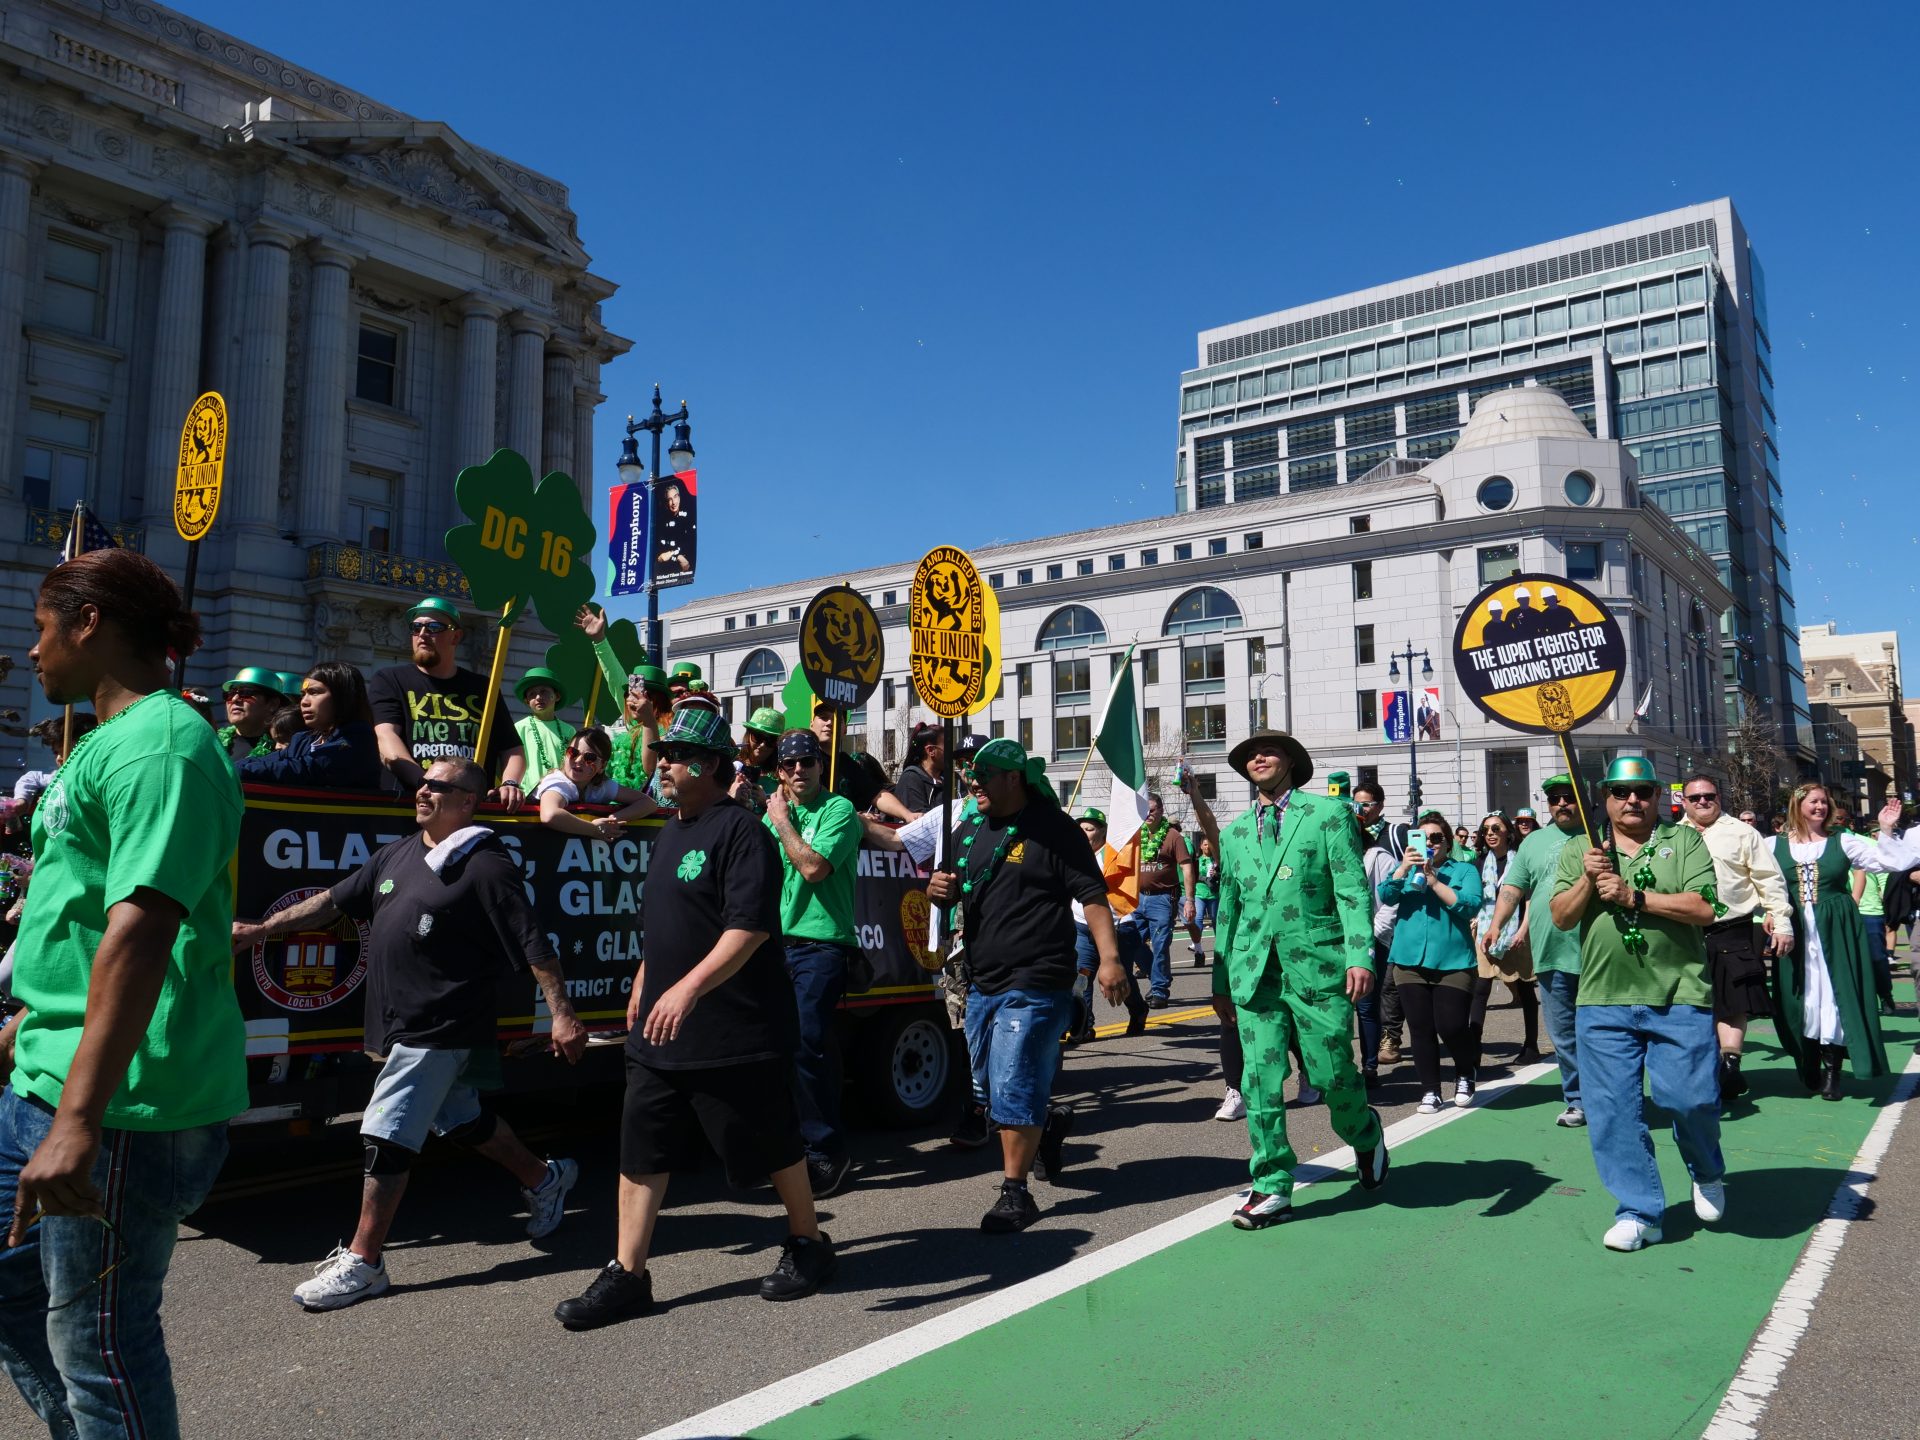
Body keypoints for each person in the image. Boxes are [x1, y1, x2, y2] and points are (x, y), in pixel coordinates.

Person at [0, 548, 246, 1435]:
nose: (32, 653)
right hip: (47, 1072)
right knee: (18, 1295)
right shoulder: (102, 743)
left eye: (40, 629)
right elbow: (78, 909)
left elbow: (140, 934)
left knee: (99, 1344)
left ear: (89, 622)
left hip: (122, 1105)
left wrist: (77, 1121)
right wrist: (33, 1013)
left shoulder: (165, 746)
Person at [231, 760, 586, 1309]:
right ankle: (545, 1179)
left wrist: (562, 1014)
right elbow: (331, 902)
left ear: (467, 801)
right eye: (421, 781)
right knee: (461, 1117)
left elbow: (534, 943)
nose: (423, 789)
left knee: (385, 1131)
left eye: (438, 785)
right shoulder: (398, 852)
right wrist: (260, 931)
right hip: (398, 1023)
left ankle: (365, 1261)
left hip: (442, 1022)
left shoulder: (487, 866)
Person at [555, 707, 833, 1329]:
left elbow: (749, 929)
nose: (661, 764)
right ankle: (628, 1275)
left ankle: (809, 1242)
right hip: (659, 1032)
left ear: (706, 766)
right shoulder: (671, 830)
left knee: (771, 1144)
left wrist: (686, 991)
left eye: (674, 756)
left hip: (736, 1028)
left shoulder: (741, 832)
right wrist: (646, 979)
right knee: (640, 1148)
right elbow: (665, 924)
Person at [1185, 730, 1388, 1229]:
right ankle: (1272, 1183)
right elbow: (1227, 911)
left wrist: (1359, 955)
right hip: (1254, 976)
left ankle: (1364, 1133)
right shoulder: (1232, 835)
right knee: (1258, 1083)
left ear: (1292, 762)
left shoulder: (1327, 816)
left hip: (1318, 969)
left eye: (1269, 750)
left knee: (1332, 1075)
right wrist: (1219, 978)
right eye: (1250, 754)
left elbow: (1351, 890)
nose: (1258, 757)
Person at [924, 740, 1124, 1232]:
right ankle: (1048, 1121)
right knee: (990, 1086)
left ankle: (1016, 1194)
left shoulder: (1054, 829)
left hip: (1038, 977)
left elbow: (1093, 896)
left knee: (1012, 1081)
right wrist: (938, 889)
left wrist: (1110, 959)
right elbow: (952, 890)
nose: (973, 781)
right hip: (982, 980)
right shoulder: (968, 829)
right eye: (971, 773)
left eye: (984, 773)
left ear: (1014, 777)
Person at [1550, 756, 1722, 1252]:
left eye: (1643, 791)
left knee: (1688, 1099)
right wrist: (1588, 878)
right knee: (1612, 1112)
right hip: (1602, 1001)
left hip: (1680, 995)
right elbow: (1561, 917)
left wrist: (1633, 897)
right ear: (1605, 797)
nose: (1633, 801)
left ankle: (1706, 1168)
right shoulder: (1581, 848)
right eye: (1622, 791)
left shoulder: (1683, 839)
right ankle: (1638, 1210)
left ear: (1657, 796)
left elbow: (1706, 907)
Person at [763, 729, 864, 1199]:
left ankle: (827, 1149)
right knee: (780, 1048)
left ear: (822, 766)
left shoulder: (837, 810)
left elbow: (813, 867)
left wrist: (781, 821)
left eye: (807, 762)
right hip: (774, 944)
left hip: (823, 944)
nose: (798, 770)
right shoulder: (770, 815)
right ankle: (792, 1151)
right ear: (778, 772)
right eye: (789, 765)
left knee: (806, 1040)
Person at [1770, 785, 1920, 1101]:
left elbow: (1896, 862)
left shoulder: (1843, 840)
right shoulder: (1773, 845)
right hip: (1795, 929)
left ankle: (1832, 1073)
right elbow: (1756, 879)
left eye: (1825, 802)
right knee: (1800, 997)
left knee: (1835, 995)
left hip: (1836, 928)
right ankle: (1807, 1059)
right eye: (1814, 801)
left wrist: (1888, 828)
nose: (1821, 807)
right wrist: (1768, 911)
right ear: (1797, 806)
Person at [1676, 775, 1794, 1103]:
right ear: (1683, 801)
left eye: (1708, 795)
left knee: (1733, 1002)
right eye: (1695, 797)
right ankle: (1704, 1067)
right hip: (1684, 932)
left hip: (1732, 927)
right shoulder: (1671, 834)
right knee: (1691, 1006)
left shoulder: (1742, 832)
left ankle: (1730, 1066)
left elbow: (1769, 879)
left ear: (1719, 797)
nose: (1702, 801)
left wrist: (1782, 921)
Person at [1484, 774, 1587, 1126]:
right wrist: (1497, 923)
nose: (1561, 803)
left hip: (1598, 954)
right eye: (1555, 798)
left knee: (1603, 1032)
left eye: (1568, 796)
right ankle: (1577, 1100)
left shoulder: (1600, 835)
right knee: (1563, 1034)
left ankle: (1612, 1096)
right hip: (1550, 952)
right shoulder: (1534, 842)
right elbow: (1513, 886)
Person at [367, 597, 526, 808]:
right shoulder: (389, 679)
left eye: (434, 627)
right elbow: (386, 736)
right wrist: (427, 784)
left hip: (468, 808)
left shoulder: (483, 687)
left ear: (456, 636)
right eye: (416, 627)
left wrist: (510, 783)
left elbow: (512, 749)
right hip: (411, 806)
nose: (423, 633)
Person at [1379, 813, 1484, 1112]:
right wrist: (1403, 868)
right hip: (1409, 959)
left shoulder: (1463, 870)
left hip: (1453, 961)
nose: (1429, 844)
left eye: (1436, 838)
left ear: (1447, 844)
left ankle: (1465, 1073)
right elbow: (1385, 895)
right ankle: (1431, 1091)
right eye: (1422, 838)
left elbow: (1469, 905)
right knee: (1421, 1028)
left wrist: (1434, 881)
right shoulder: (1407, 870)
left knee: (1451, 1027)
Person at [236, 662, 383, 790]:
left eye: (314, 692)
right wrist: (228, 768)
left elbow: (303, 768)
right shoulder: (302, 740)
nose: (304, 702)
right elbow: (268, 760)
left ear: (343, 697)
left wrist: (235, 771)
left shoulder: (357, 739)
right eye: (303, 694)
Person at [1070, 809, 1150, 1045]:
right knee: (1081, 978)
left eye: (1090, 829)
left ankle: (1138, 1009)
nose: (1083, 833)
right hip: (1083, 927)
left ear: (1103, 831)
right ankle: (1084, 1025)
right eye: (1081, 828)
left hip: (1116, 928)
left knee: (1119, 981)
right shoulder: (1074, 854)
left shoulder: (1114, 856)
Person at [1471, 812, 1540, 1066]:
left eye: (1496, 829)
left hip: (1516, 933)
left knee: (1524, 988)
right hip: (1486, 934)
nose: (1490, 833)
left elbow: (1530, 898)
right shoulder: (1479, 863)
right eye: (1486, 829)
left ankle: (1531, 1045)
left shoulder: (1520, 862)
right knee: (1480, 989)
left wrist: (1523, 930)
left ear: (1508, 833)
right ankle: (1473, 1047)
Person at [1354, 782, 1405, 1077]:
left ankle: (1370, 1066)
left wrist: (1373, 932)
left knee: (1366, 1006)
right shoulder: (1337, 860)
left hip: (1372, 940)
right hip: (1340, 940)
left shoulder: (1379, 856)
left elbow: (1390, 901)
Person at [533, 729, 662, 839]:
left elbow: (649, 803)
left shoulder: (600, 786)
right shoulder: (557, 782)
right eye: (573, 752)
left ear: (602, 766)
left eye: (590, 758)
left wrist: (611, 820)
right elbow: (549, 815)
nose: (578, 760)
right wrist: (594, 830)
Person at [1133, 793, 1197, 1007]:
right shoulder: (1135, 834)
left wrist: (1189, 900)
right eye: (1145, 810)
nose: (1148, 814)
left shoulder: (1173, 836)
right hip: (1136, 897)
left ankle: (1160, 990)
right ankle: (1158, 975)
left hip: (1162, 899)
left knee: (1160, 944)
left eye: (1152, 810)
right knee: (1129, 941)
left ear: (1161, 811)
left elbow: (1186, 867)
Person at [809, 700, 889, 814]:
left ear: (845, 729)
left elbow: (876, 794)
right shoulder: (806, 761)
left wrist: (908, 814)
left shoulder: (847, 762)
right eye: (823, 717)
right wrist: (856, 817)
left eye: (837, 719)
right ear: (811, 725)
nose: (829, 723)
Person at [513, 667, 576, 783]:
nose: (538, 697)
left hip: (563, 792)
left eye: (544, 692)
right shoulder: (519, 728)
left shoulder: (569, 731)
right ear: (527, 701)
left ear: (557, 696)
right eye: (532, 694)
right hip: (528, 795)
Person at [216, 665, 284, 763]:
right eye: (230, 694)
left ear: (272, 704)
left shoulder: (282, 749)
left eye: (246, 692)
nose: (235, 699)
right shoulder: (214, 743)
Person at [729, 706, 786, 814]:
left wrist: (766, 803)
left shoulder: (783, 774)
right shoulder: (730, 766)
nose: (763, 745)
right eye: (758, 737)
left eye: (770, 740)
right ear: (748, 734)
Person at [885, 722, 947, 819]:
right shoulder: (911, 779)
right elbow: (922, 822)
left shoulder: (953, 778)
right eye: (947, 746)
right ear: (931, 750)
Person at [654, 477, 696, 578]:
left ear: (679, 497)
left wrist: (673, 554)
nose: (673, 502)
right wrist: (678, 556)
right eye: (669, 499)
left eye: (675, 497)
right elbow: (660, 557)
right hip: (665, 575)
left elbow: (690, 545)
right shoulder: (661, 524)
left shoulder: (688, 518)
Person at [1193, 836, 1220, 932]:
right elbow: (1194, 876)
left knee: (1215, 919)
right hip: (1199, 894)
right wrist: (1204, 878)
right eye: (1205, 844)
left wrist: (1216, 874)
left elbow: (1222, 875)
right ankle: (1196, 943)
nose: (1207, 847)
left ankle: (1220, 944)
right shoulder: (1197, 861)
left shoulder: (1216, 860)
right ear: (1201, 846)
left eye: (1209, 844)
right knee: (1198, 918)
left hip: (1213, 895)